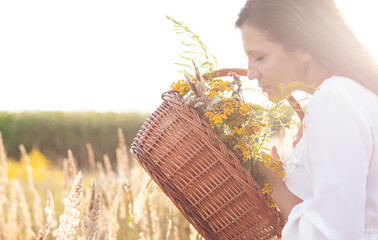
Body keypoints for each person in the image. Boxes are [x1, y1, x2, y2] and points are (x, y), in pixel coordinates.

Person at [235, 0, 378, 239]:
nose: (251, 74)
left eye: (259, 57)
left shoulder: (333, 99)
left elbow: (334, 234)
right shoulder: (351, 93)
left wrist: (274, 183)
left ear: (303, 46)